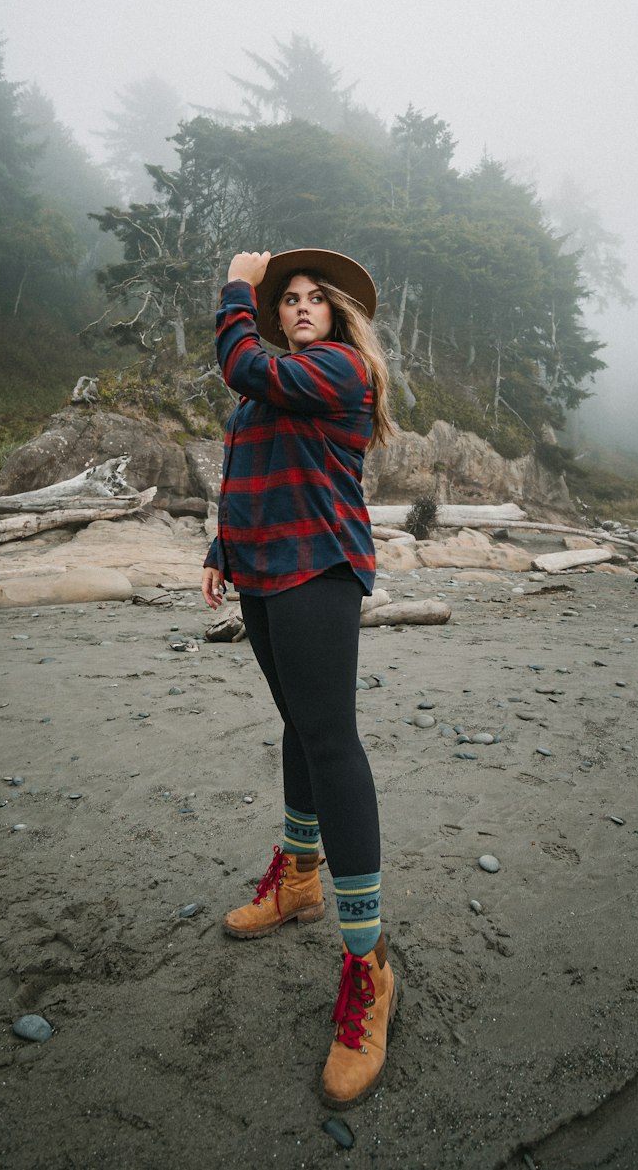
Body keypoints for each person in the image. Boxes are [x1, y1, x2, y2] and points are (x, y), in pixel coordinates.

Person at [201, 247, 398, 1108]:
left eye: (317, 297)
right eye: (290, 298)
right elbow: (246, 471)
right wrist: (219, 546)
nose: (302, 305)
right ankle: (299, 879)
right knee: (298, 725)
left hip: (319, 567)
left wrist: (238, 285)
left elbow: (237, 358)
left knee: (330, 738)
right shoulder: (272, 386)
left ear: (340, 317)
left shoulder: (339, 369)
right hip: (262, 566)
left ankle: (369, 968)